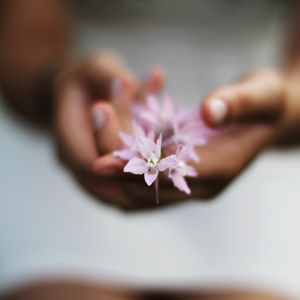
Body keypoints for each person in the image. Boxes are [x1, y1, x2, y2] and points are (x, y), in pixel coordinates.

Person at [1, 0, 299, 299]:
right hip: (80, 116)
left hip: (249, 133)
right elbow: (24, 41)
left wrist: (283, 108)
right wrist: (58, 89)